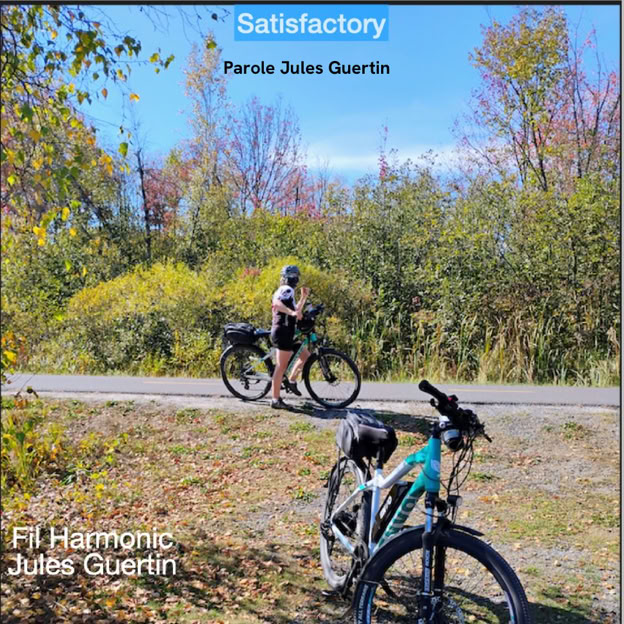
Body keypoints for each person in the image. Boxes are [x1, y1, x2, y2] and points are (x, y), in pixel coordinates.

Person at [270, 265, 310, 409]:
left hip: (287, 332)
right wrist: (291, 312)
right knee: (281, 367)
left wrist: (303, 297)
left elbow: (296, 311)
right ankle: (275, 400)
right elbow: (276, 303)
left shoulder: (287, 291)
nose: (296, 279)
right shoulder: (286, 289)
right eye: (295, 276)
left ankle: (292, 381)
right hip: (283, 332)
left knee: (305, 356)